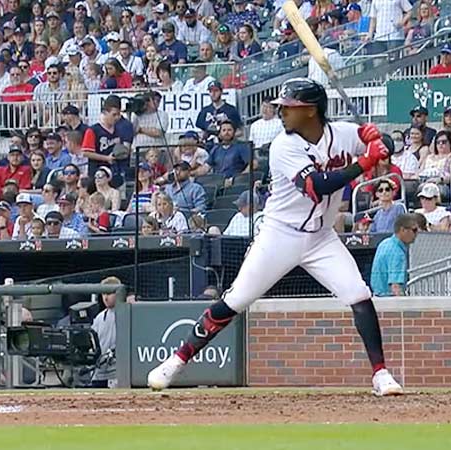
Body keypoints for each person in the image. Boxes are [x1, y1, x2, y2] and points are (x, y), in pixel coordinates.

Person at [147, 78, 404, 397]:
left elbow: (386, 143)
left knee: (359, 295)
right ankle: (177, 360)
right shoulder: (284, 146)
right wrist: (366, 160)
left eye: (289, 108)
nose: (281, 112)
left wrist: (377, 138)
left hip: (322, 238)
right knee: (236, 300)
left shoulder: (343, 133)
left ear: (310, 111)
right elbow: (317, 187)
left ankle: (380, 374)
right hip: (280, 235)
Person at [370, 213, 420, 296]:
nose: (416, 234)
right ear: (403, 230)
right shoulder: (398, 253)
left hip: (377, 299)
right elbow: (396, 287)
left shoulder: (384, 243)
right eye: (414, 230)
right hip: (388, 303)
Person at [90, 276, 121, 388]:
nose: (106, 297)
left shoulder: (126, 313)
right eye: (103, 294)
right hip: (100, 371)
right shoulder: (99, 317)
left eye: (109, 293)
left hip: (118, 371)